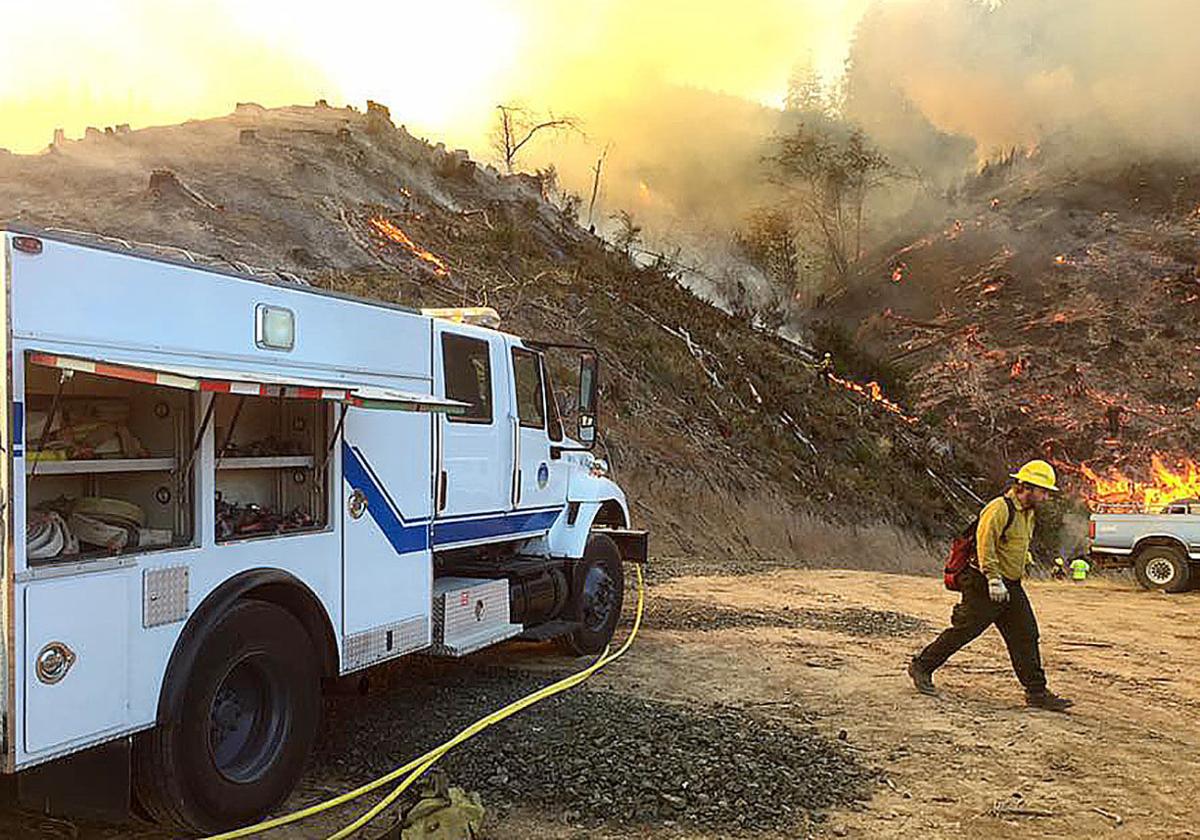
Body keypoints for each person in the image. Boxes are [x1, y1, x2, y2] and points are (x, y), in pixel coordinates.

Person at [907, 460, 1074, 711]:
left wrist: (1022, 560)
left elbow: (1013, 543)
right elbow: (985, 545)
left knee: (1026, 635)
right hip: (984, 582)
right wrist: (993, 579)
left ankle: (1036, 692)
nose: (1046, 497)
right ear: (1026, 487)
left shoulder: (1027, 513)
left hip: (1010, 584)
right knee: (965, 630)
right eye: (1043, 491)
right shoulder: (999, 509)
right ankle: (922, 666)